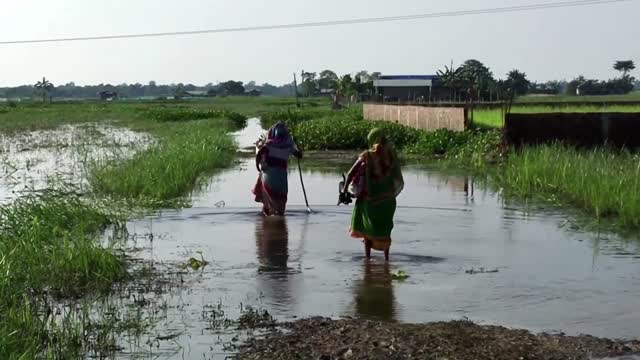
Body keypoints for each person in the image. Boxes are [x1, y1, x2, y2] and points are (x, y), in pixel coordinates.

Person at [342, 128, 404, 261]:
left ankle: (368, 260)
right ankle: (387, 259)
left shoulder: (367, 156)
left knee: (367, 230)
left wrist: (344, 190)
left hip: (371, 200)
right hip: (388, 201)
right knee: (385, 229)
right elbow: (396, 176)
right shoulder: (391, 155)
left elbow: (350, 174)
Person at [252, 122, 302, 216]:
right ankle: (279, 218)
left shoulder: (269, 144)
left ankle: (267, 219)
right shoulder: (289, 145)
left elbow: (259, 154)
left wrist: (257, 166)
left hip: (269, 175)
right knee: (280, 198)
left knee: (268, 197)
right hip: (281, 177)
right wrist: (297, 144)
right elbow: (299, 155)